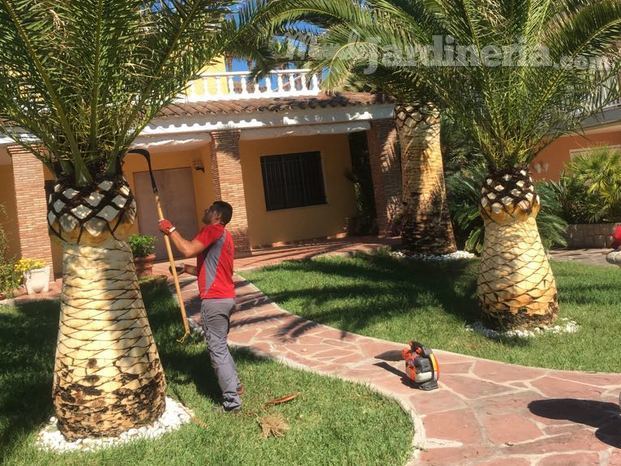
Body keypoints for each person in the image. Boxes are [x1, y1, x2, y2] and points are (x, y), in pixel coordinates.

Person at [159, 201, 242, 413]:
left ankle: (232, 403)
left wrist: (171, 230)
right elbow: (211, 270)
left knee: (217, 350)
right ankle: (236, 387)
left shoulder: (212, 230)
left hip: (214, 301)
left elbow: (187, 248)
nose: (205, 210)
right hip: (226, 298)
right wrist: (185, 269)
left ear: (217, 216)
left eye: (209, 208)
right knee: (221, 346)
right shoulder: (225, 236)